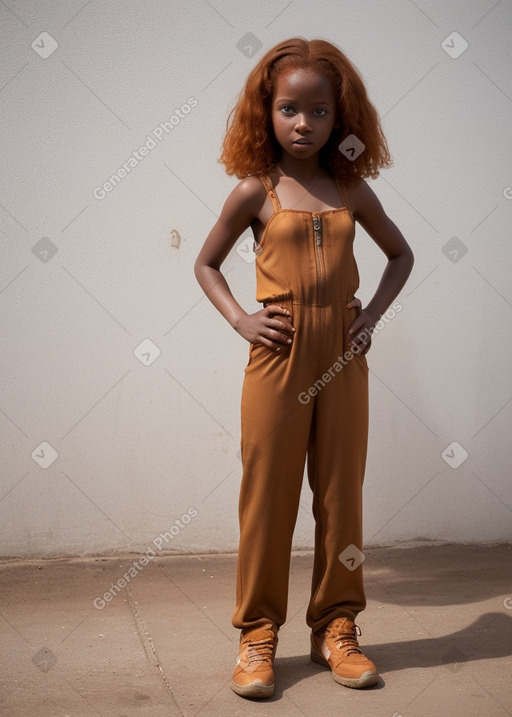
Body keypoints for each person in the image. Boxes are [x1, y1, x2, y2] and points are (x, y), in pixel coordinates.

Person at [194, 37, 414, 699]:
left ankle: (336, 629)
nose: (302, 124)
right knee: (267, 499)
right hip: (278, 358)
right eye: (289, 108)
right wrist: (242, 319)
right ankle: (257, 636)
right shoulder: (254, 189)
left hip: (343, 359)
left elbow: (401, 255)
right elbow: (205, 263)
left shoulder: (351, 185)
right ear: (267, 111)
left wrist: (369, 315)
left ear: (338, 117)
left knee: (340, 496)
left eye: (318, 112)